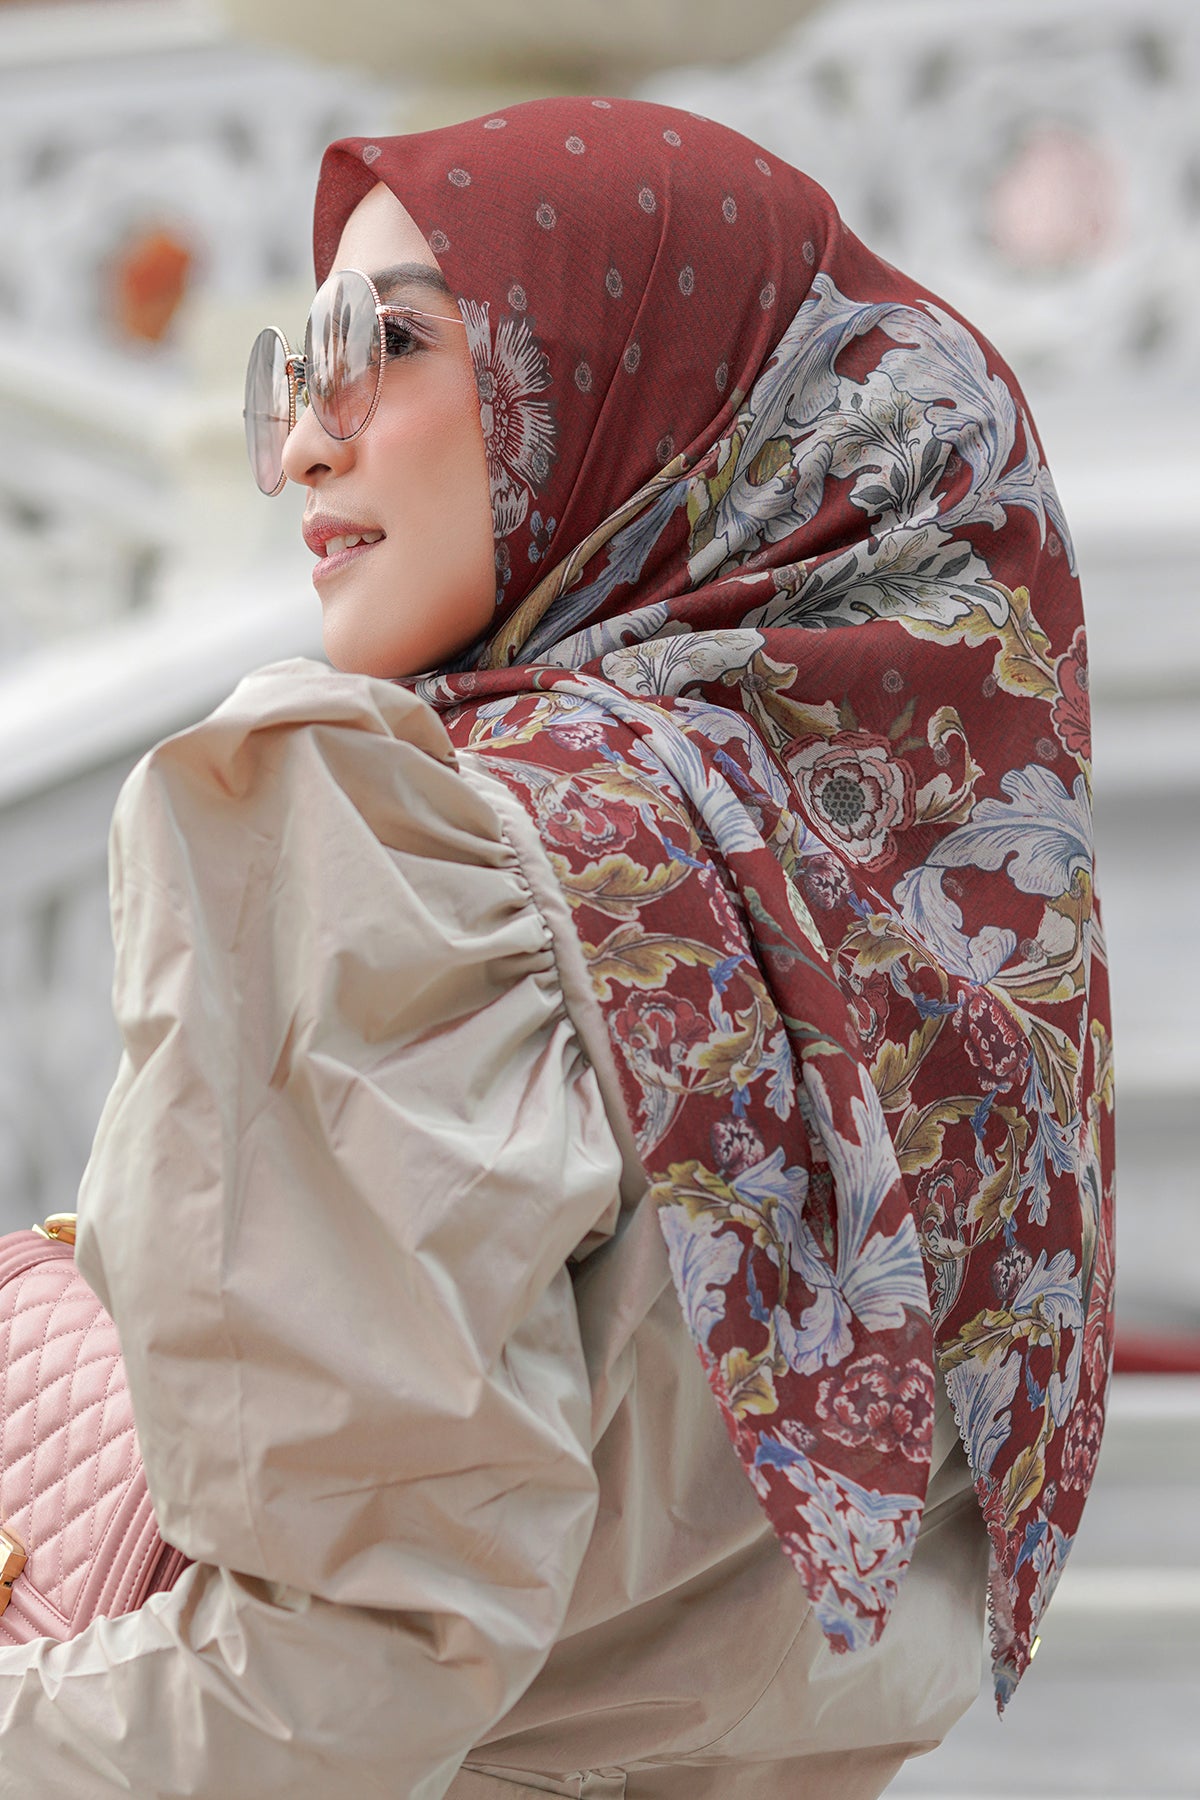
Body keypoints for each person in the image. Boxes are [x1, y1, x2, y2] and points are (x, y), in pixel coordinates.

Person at [0, 97, 1115, 1798]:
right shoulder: (936, 935)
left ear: (637, 386)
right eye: (293, 371)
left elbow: (334, 1674)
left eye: (386, 346)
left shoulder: (395, 846)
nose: (304, 444)